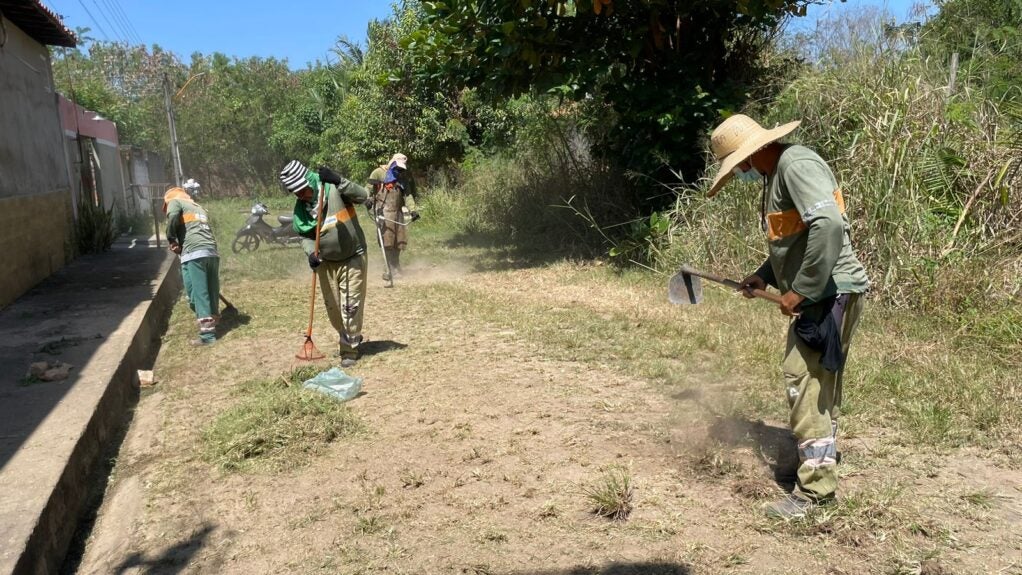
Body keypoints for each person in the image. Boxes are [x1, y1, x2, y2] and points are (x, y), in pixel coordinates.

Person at [707, 114, 870, 519]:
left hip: (829, 295)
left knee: (805, 382)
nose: (741, 171)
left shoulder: (795, 166)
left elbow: (829, 225)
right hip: (826, 293)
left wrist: (801, 290)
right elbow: (793, 238)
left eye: (738, 164)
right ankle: (816, 467)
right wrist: (763, 276)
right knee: (818, 384)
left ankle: (814, 495)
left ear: (749, 155)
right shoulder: (777, 173)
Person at [279, 160, 369, 367]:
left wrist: (339, 180)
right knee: (334, 308)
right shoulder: (301, 209)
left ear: (308, 181)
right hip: (326, 263)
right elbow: (305, 237)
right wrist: (311, 253)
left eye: (302, 190)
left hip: (352, 256)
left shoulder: (333, 188)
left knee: (350, 306)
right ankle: (347, 335)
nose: (300, 196)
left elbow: (363, 196)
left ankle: (349, 350)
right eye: (296, 193)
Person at [164, 187, 220, 346]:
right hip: (211, 251)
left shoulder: (174, 202)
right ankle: (213, 319)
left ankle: (208, 336)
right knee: (211, 290)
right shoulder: (198, 206)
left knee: (196, 294)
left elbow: (173, 217)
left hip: (193, 252)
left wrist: (171, 239)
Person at [367, 153, 420, 281]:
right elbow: (368, 188)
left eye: (402, 169)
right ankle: (388, 267)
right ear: (392, 163)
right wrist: (367, 199)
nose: (399, 171)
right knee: (388, 241)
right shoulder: (378, 173)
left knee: (399, 241)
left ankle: (396, 265)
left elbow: (408, 195)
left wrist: (413, 210)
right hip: (383, 212)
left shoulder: (402, 178)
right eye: (398, 168)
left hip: (398, 213)